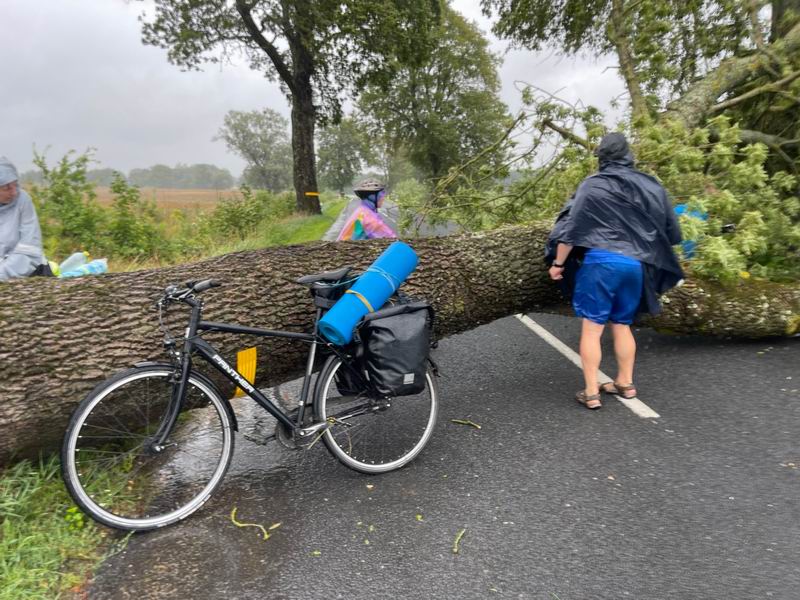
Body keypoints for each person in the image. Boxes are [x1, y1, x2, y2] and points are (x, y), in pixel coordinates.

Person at [546, 133, 684, 410]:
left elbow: (571, 231)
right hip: (635, 265)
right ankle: (625, 383)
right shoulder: (650, 185)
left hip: (600, 264)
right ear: (628, 154)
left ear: (602, 156)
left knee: (592, 329)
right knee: (622, 325)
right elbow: (673, 232)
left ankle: (591, 392)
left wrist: (558, 264)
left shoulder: (593, 185)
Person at [0, 157, 46, 281]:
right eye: (7, 188)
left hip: (23, 269)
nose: (14, 192)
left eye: (15, 184)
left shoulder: (23, 200)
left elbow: (30, 247)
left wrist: (2, 273)